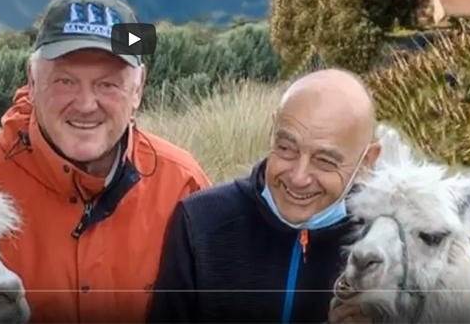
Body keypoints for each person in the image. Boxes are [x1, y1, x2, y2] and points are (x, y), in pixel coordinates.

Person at [0, 0, 211, 324]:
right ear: (32, 82)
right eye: (65, 81)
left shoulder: (182, 185)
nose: (87, 103)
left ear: (138, 90)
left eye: (108, 84)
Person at [147, 68, 381, 324]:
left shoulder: (391, 246)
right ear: (272, 130)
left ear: (367, 162)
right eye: (286, 148)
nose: (298, 178)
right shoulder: (200, 222)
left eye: (324, 161)